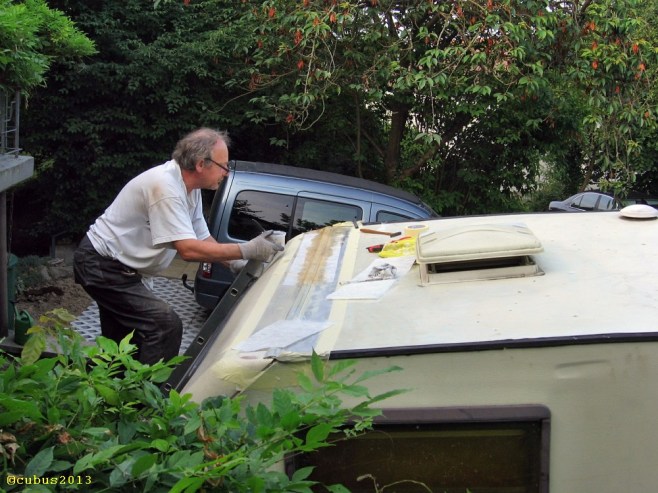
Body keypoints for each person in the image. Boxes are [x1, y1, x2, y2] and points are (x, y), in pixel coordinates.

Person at [73, 128, 283, 364]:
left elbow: (201, 237)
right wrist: (246, 250)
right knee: (164, 325)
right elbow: (188, 250)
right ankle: (151, 387)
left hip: (118, 268)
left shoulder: (189, 189)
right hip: (102, 265)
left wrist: (235, 262)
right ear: (201, 164)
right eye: (223, 166)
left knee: (123, 346)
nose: (226, 173)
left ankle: (112, 384)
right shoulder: (166, 188)